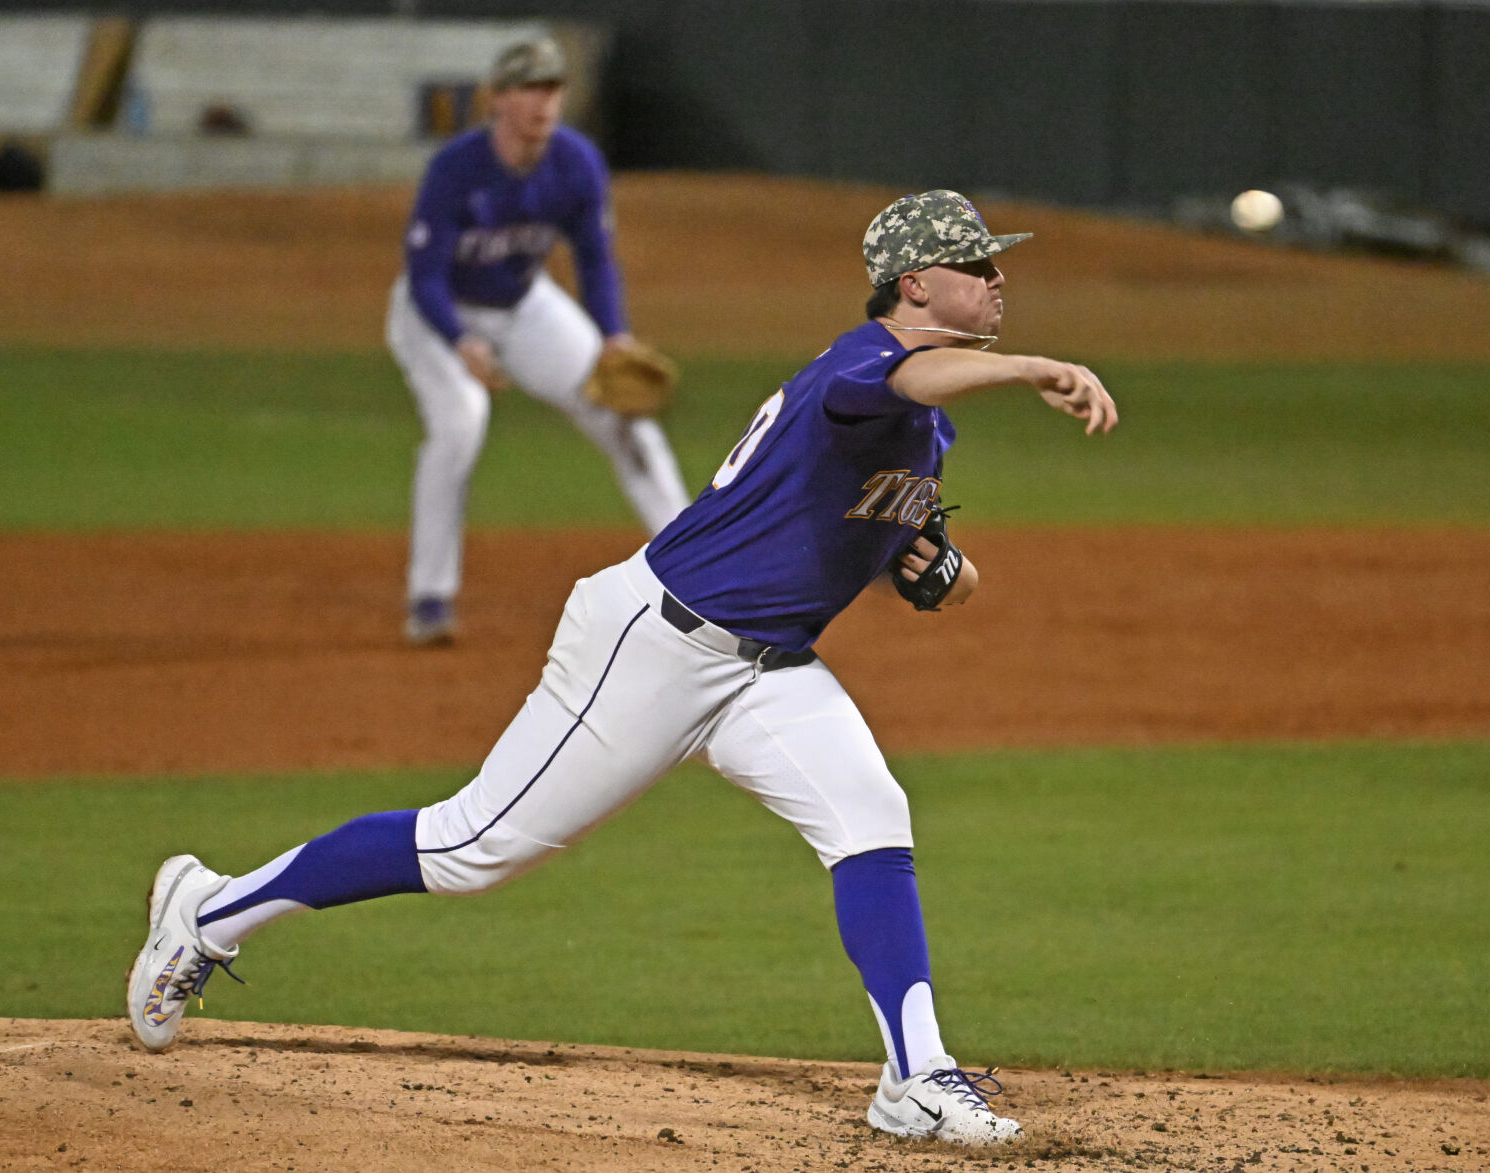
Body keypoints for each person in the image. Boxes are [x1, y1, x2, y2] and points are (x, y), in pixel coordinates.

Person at [126, 190, 1118, 1145]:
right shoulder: (863, 365)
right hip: (650, 643)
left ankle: (914, 1078)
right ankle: (209, 911)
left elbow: (919, 564)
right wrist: (1033, 368)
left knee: (870, 818)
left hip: (766, 673)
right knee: (471, 850)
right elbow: (908, 378)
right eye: (974, 263)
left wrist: (944, 573)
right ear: (911, 284)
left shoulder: (926, 429)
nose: (995, 279)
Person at [386, 37, 688, 645]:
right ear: (497, 99)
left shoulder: (575, 163)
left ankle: (697, 568)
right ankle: (430, 597)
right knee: (461, 424)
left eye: (552, 88)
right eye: (528, 88)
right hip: (436, 315)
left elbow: (596, 261)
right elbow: (425, 278)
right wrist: (459, 341)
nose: (543, 101)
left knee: (622, 413)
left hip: (524, 306)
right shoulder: (457, 169)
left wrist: (613, 336)